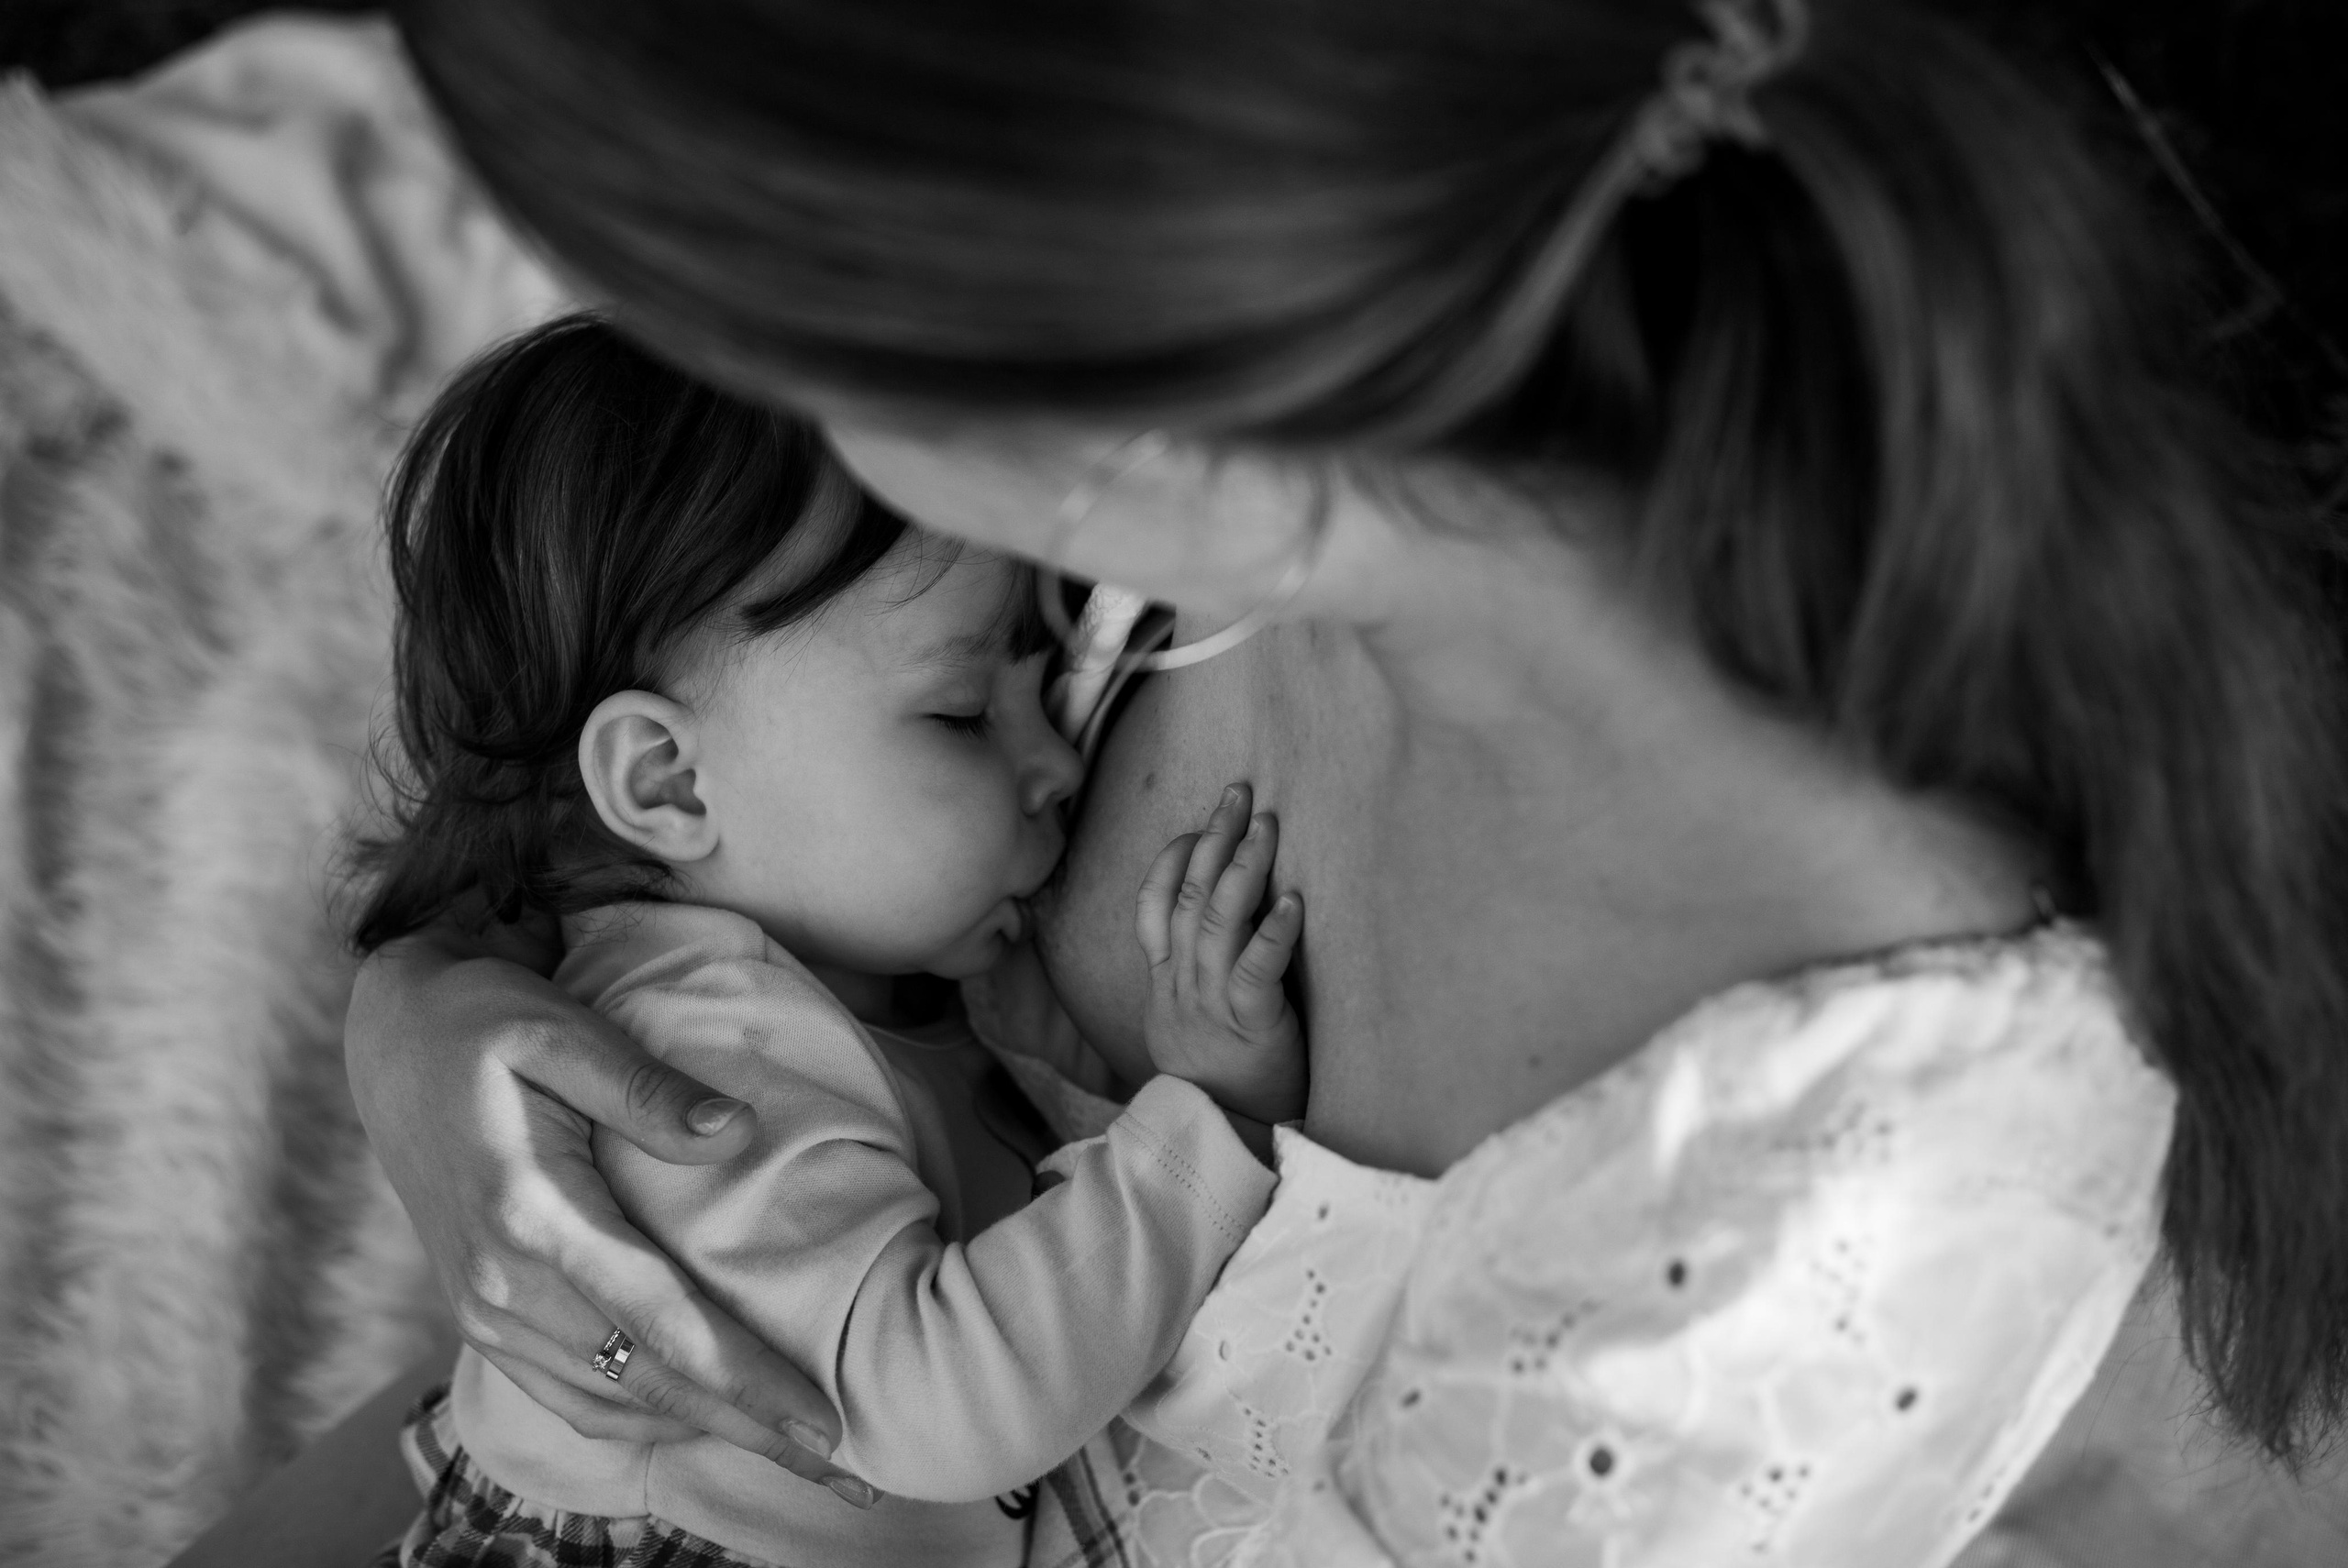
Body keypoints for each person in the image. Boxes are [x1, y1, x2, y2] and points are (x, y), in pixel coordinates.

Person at [342, 0, 2348, 1562]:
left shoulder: (1787, 1227)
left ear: (1083, 376)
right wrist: (433, 999)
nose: (754, 413)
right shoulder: (1193, 513)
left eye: (765, 331)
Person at [350, 314, 1312, 1566]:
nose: (1058, 764)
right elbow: (939, 1406)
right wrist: (1199, 1129)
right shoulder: (703, 1053)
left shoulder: (841, 990)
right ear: (669, 781)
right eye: (965, 710)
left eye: (1039, 677)